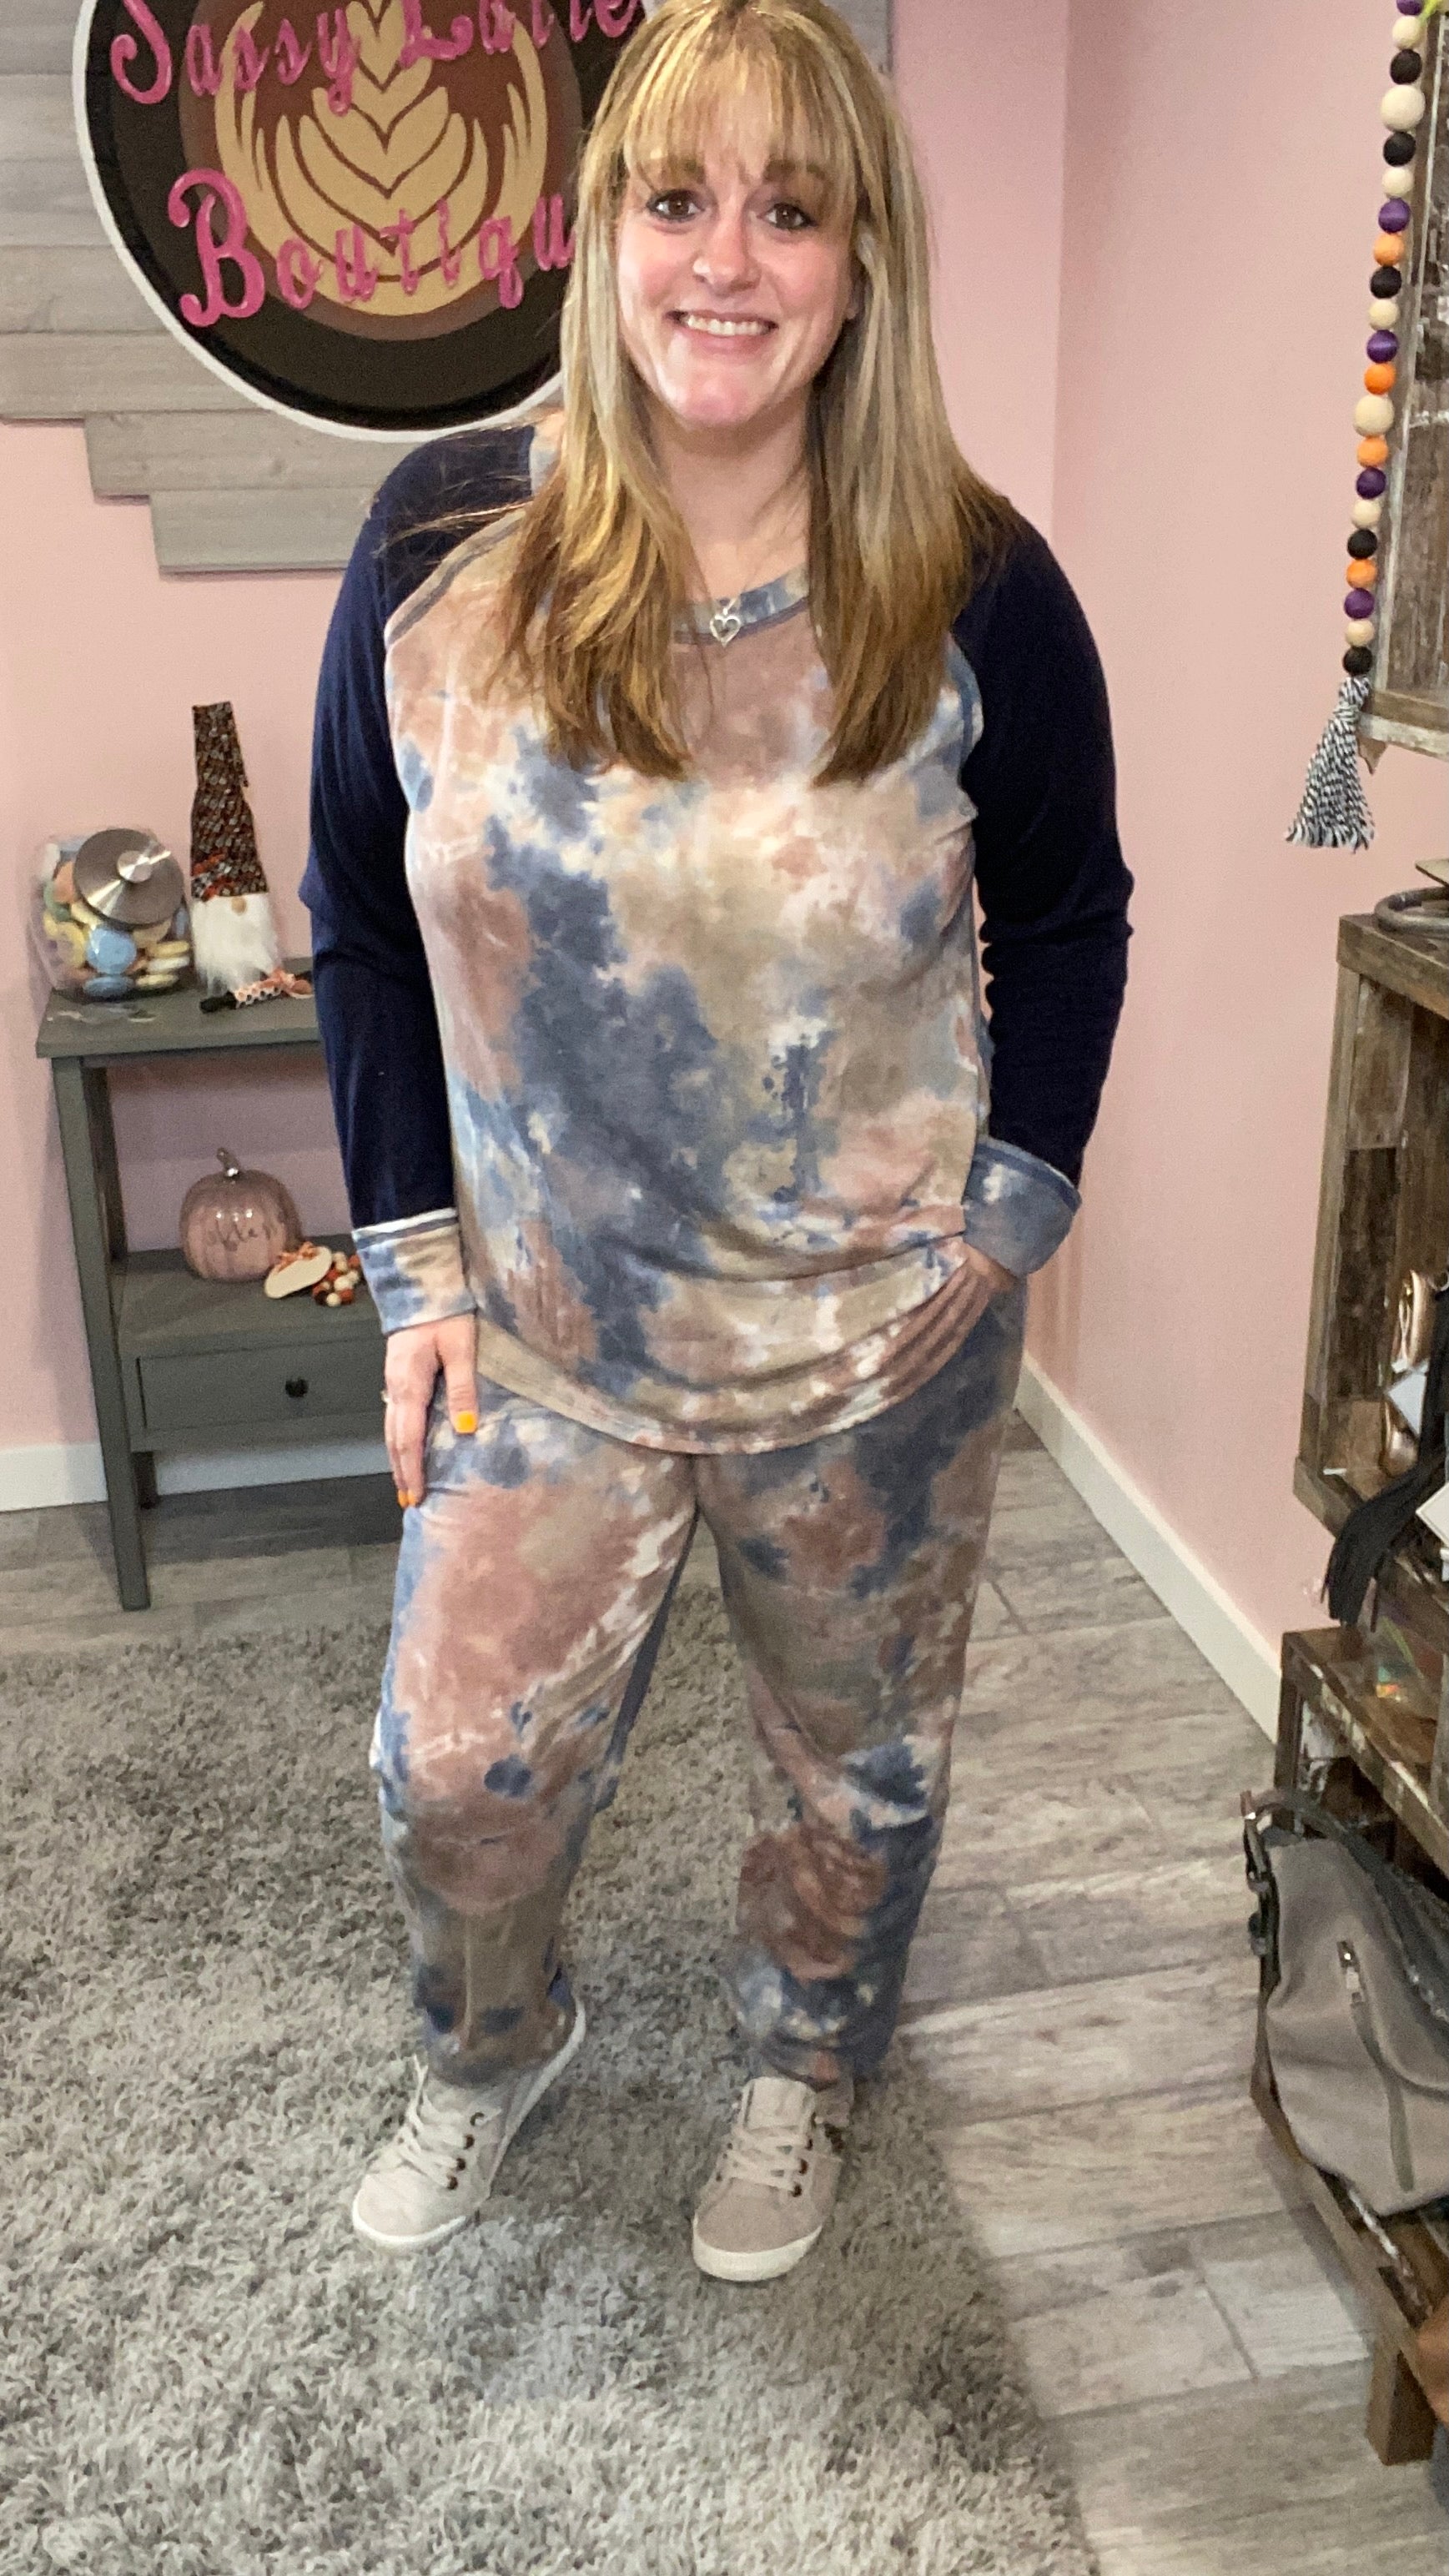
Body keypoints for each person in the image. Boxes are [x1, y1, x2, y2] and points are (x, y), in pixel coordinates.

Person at [303, 0, 1130, 2282]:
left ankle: (806, 2062)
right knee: (453, 1773)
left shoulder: (973, 580)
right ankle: (496, 2046)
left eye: (793, 208)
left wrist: (1007, 1216)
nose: (729, 259)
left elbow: (1067, 910)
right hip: (546, 1334)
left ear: (862, 266)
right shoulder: (439, 541)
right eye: (677, 200)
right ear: (602, 237)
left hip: (875, 1345)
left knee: (856, 1773)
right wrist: (413, 1270)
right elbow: (359, 916)